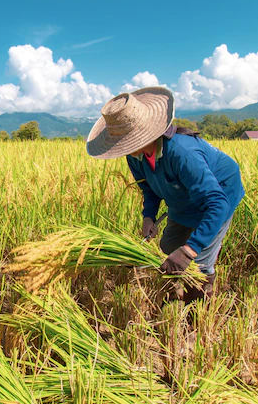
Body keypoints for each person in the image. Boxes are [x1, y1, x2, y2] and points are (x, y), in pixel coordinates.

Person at [86, 87, 245, 303]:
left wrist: (190, 251)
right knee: (168, 248)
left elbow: (217, 204)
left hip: (220, 194)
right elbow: (149, 189)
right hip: (182, 196)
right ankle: (172, 295)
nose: (125, 148)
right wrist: (148, 217)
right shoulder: (135, 155)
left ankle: (196, 311)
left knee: (198, 263)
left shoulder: (182, 153)